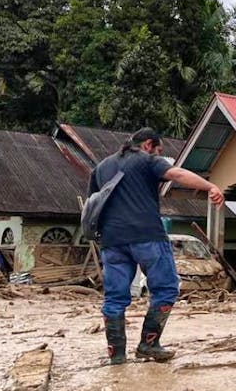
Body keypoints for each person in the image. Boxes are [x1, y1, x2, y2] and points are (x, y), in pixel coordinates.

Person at [89, 128, 224, 365]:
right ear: (149, 145)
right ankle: (148, 344)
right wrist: (210, 187)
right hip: (147, 235)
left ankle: (117, 356)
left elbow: (93, 203)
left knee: (114, 298)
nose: (159, 155)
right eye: (159, 150)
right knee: (166, 288)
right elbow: (177, 175)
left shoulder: (101, 167)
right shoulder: (146, 159)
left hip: (112, 241)